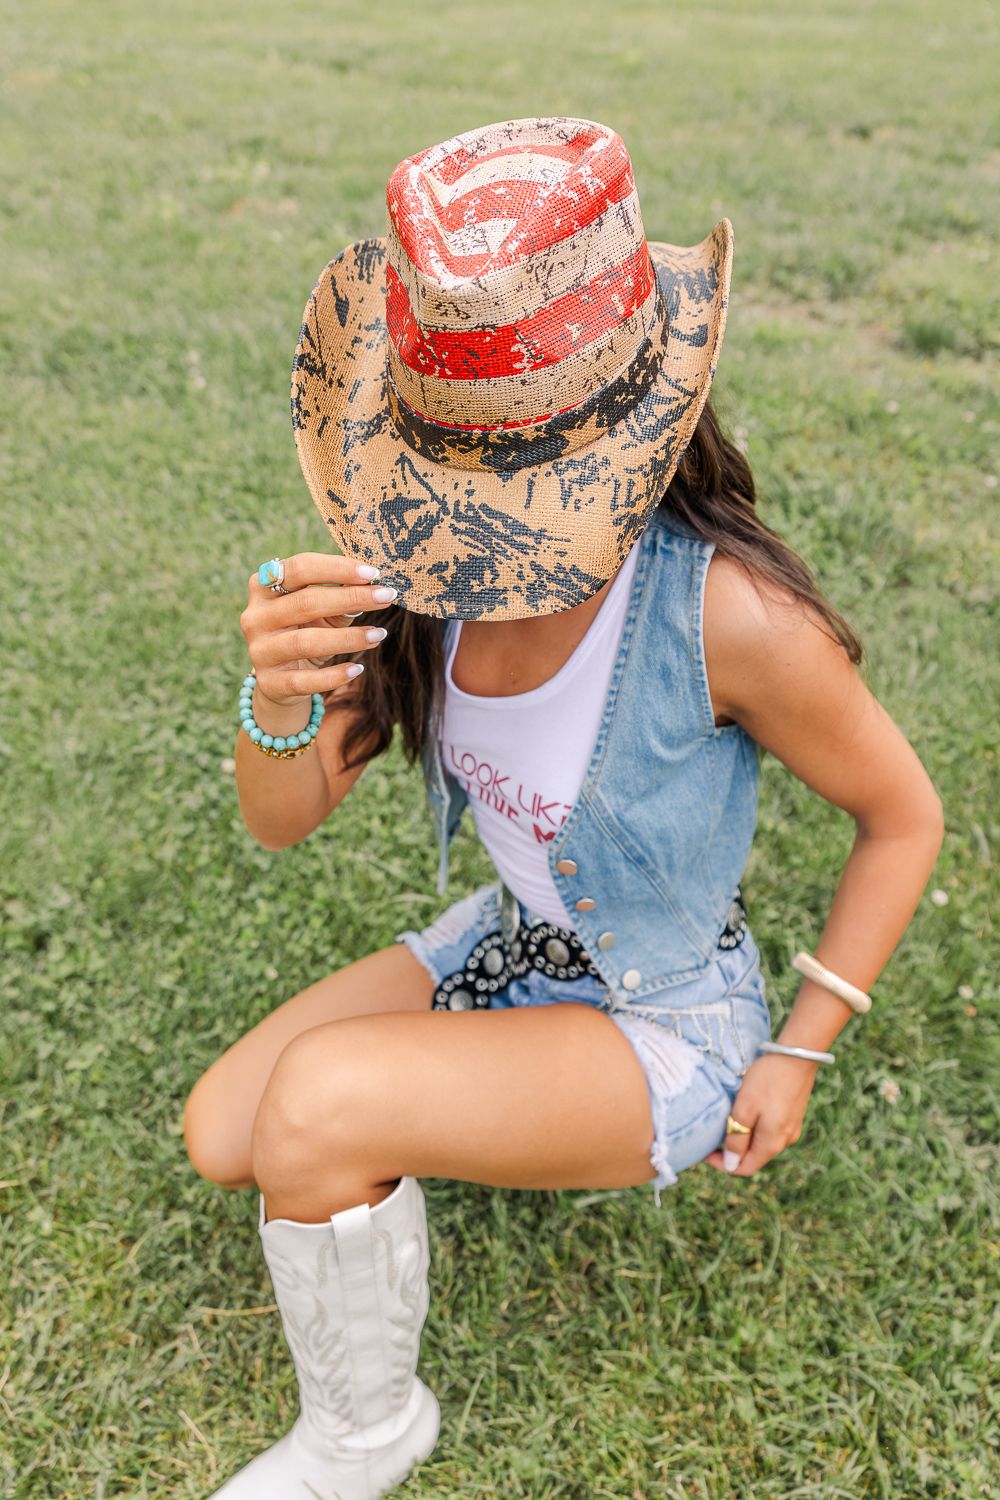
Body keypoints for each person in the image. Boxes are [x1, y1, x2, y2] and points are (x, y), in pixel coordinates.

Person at [183, 117, 945, 1499]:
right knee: (228, 1129)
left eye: (513, 484)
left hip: (665, 1015)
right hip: (510, 945)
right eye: (457, 477)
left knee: (313, 1113)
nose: (480, 521)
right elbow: (281, 820)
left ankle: (366, 1432)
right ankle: (436, 1119)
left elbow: (905, 817)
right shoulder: (411, 565)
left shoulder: (734, 619)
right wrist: (280, 699)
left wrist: (803, 1051)